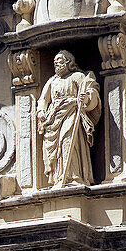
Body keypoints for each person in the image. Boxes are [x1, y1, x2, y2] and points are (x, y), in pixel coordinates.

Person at [37, 49, 101, 187]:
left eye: (59, 61)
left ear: (68, 62)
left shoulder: (77, 76)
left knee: (67, 142)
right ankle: (59, 178)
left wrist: (86, 99)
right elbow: (43, 100)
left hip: (71, 113)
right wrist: (41, 111)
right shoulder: (52, 81)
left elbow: (91, 90)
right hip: (54, 118)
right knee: (55, 149)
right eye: (54, 62)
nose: (56, 65)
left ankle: (74, 177)